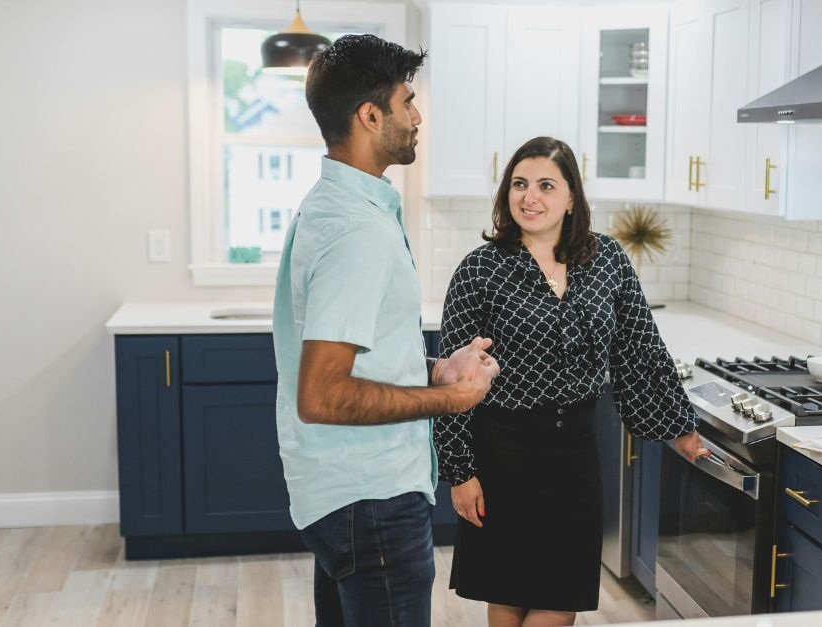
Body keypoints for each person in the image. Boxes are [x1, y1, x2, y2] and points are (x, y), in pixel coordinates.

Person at [272, 34, 501, 627]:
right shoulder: (357, 231)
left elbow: (350, 365)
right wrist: (450, 398)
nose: (417, 115)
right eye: (407, 101)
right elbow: (322, 393)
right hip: (370, 496)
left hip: (344, 493)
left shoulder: (335, 208)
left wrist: (434, 369)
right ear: (371, 116)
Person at [434, 136, 709, 627]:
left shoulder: (607, 261)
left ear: (571, 198)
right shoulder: (479, 270)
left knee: (560, 604)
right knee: (507, 597)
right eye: (519, 184)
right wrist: (460, 472)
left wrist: (679, 426)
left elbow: (640, 349)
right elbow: (449, 384)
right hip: (502, 455)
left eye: (545, 185)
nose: (529, 197)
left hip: (575, 459)